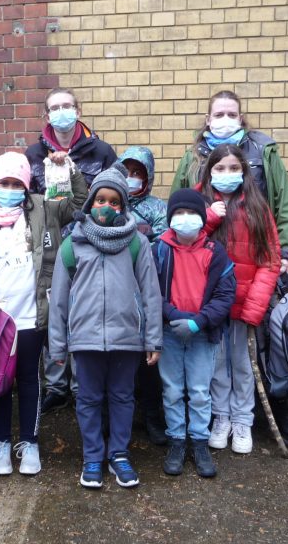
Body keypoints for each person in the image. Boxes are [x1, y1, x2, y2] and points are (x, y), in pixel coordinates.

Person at [0, 151, 86, 476]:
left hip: (31, 318)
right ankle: (1, 442)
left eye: (17, 184)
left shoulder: (44, 209)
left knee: (29, 380)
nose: (10, 189)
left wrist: (69, 170)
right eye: (5, 183)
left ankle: (30, 442)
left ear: (26, 186)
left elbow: (80, 203)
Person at [48, 163, 163, 490]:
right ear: (90, 202)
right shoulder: (73, 244)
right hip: (85, 339)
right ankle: (92, 457)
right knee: (88, 399)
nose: (107, 207)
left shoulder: (137, 243)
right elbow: (59, 298)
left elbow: (151, 293)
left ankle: (119, 455)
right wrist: (57, 345)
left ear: (123, 206)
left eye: (114, 202)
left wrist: (153, 340)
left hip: (127, 338)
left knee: (123, 397)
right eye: (101, 200)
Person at [25, 87, 118, 414]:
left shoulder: (101, 151)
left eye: (67, 106)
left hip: (88, 246)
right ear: (46, 115)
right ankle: (56, 386)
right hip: (49, 246)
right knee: (52, 315)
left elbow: (115, 196)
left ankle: (82, 386)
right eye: (55, 107)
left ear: (78, 111)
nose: (61, 112)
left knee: (83, 314)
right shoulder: (33, 154)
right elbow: (27, 202)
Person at [196, 144, 281, 454]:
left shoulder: (257, 206)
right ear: (210, 172)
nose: (227, 174)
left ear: (244, 171)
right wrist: (209, 219)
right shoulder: (199, 201)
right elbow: (186, 246)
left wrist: (254, 305)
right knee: (216, 365)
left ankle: (243, 420)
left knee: (244, 365)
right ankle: (221, 417)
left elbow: (270, 259)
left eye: (234, 168)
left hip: (245, 304)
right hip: (212, 305)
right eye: (220, 168)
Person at [170, 90, 288, 274]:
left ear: (240, 118)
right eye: (219, 115)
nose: (225, 119)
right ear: (208, 119)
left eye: (231, 115)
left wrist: (285, 252)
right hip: (204, 256)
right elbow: (177, 204)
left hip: (254, 255)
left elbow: (283, 201)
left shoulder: (262, 151)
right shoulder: (193, 156)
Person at [152, 189, 236, 478]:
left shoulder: (215, 252)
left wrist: (199, 321)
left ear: (202, 218)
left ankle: (199, 441)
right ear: (170, 218)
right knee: (172, 390)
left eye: (191, 213)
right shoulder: (159, 249)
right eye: (179, 213)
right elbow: (148, 290)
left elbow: (225, 294)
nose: (185, 218)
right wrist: (173, 315)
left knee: (200, 391)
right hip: (170, 331)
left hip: (202, 333)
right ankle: (176, 440)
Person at [116, 145, 169, 446]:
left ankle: (152, 414)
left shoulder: (158, 208)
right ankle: (118, 416)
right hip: (117, 292)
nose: (132, 177)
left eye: (138, 172)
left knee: (149, 363)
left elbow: (162, 245)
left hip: (147, 289)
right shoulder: (111, 202)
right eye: (127, 171)